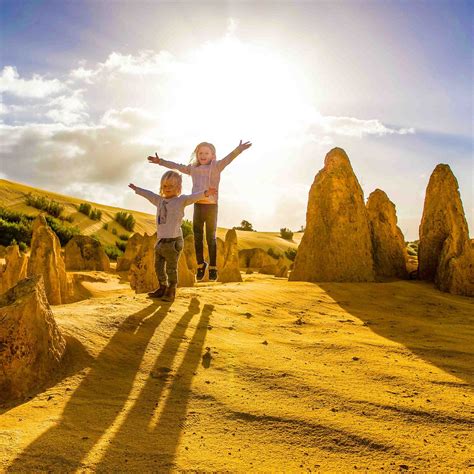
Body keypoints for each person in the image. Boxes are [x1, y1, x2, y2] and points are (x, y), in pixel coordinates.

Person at [147, 140, 252, 281]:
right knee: (197, 236)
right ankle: (201, 264)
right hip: (198, 205)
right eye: (200, 153)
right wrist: (160, 161)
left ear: (212, 155)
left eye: (206, 153)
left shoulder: (217, 167)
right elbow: (176, 166)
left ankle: (213, 267)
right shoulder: (193, 169)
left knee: (210, 237)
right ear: (197, 154)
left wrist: (239, 149)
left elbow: (229, 159)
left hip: (211, 206)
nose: (203, 155)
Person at [129, 170, 216, 302]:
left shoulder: (181, 200)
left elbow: (194, 197)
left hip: (173, 241)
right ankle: (162, 287)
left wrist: (205, 193)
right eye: (165, 186)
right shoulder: (159, 201)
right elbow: (149, 194)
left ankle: (171, 290)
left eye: (171, 186)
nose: (167, 189)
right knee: (158, 267)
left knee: (171, 268)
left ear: (178, 188)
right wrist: (137, 189)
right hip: (160, 241)